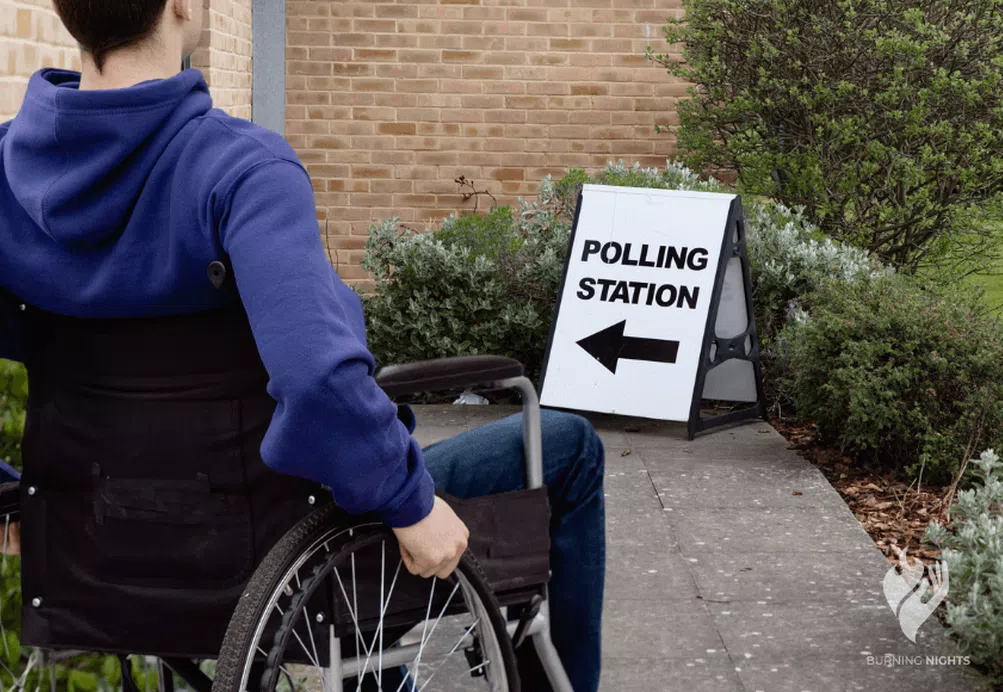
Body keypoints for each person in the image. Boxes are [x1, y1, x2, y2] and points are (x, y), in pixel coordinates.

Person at [0, 1, 606, 689]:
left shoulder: (4, 174)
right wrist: (410, 504)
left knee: (359, 469)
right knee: (567, 446)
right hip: (276, 544)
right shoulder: (240, 171)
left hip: (96, 549)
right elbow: (318, 383)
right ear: (181, 7)